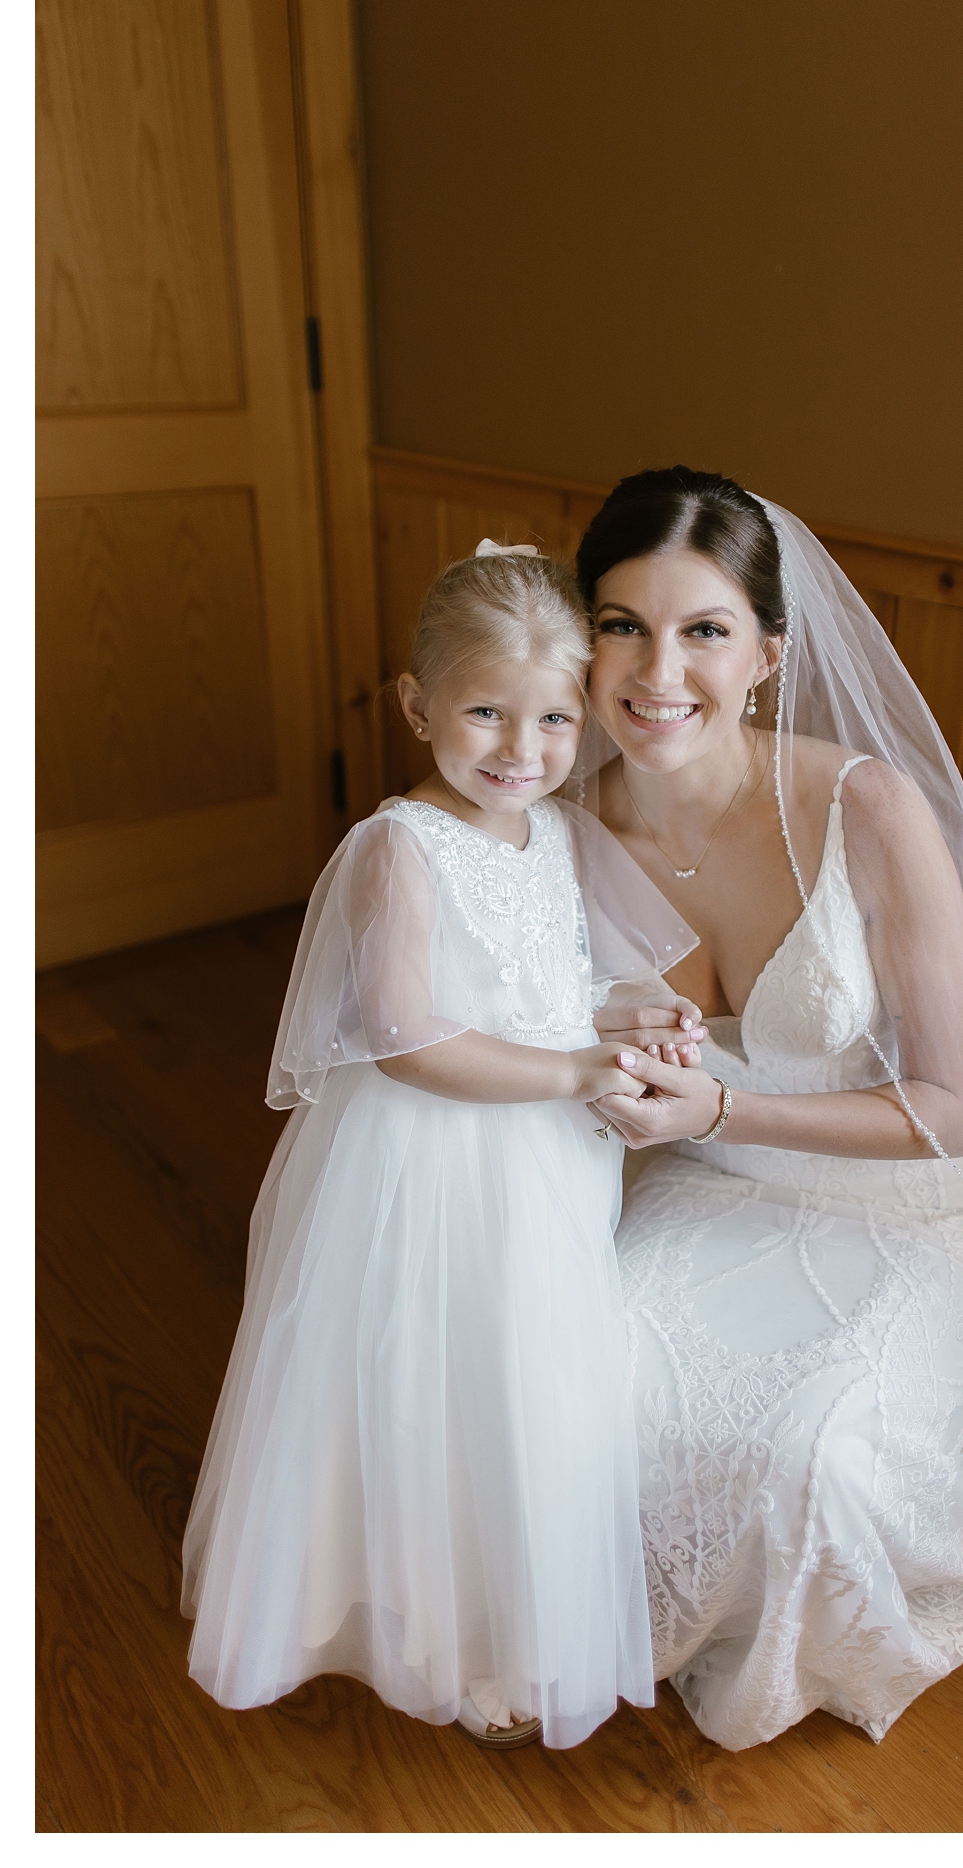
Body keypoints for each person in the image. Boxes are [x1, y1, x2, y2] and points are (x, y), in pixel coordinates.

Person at [564, 468, 963, 1751]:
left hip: (906, 1199)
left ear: (767, 653)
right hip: (709, 1184)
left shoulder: (865, 806)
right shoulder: (571, 818)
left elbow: (951, 1109)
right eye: (622, 624)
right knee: (583, 1381)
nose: (658, 670)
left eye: (704, 630)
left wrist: (714, 1107)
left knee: (818, 1458)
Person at [183, 543, 693, 1749]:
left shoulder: (554, 832)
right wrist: (575, 1073)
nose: (520, 748)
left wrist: (631, 1015)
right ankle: (423, 1619)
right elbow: (407, 1037)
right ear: (417, 706)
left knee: (521, 1371)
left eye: (553, 718)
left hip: (541, 1165)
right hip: (429, 1160)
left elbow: (553, 984)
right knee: (427, 1373)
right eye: (484, 713)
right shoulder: (399, 846)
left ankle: (507, 1607)